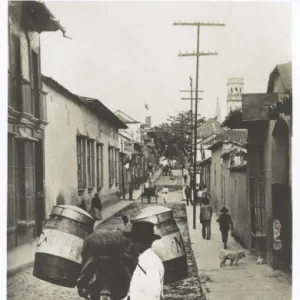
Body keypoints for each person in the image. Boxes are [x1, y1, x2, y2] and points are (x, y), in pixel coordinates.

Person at [122, 221, 164, 300]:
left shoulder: (152, 262)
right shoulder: (142, 259)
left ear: (142, 243)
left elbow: (153, 295)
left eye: (134, 241)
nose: (131, 244)